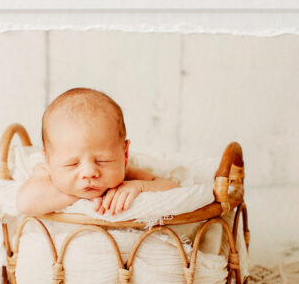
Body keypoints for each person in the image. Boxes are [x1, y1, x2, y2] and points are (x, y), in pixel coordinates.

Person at [16, 88, 178, 216]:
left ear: (125, 154)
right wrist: (79, 196)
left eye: (103, 161)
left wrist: (140, 187)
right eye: (72, 164)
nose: (89, 172)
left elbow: (175, 188)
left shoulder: (125, 174)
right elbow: (24, 203)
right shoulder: (46, 172)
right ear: (48, 160)